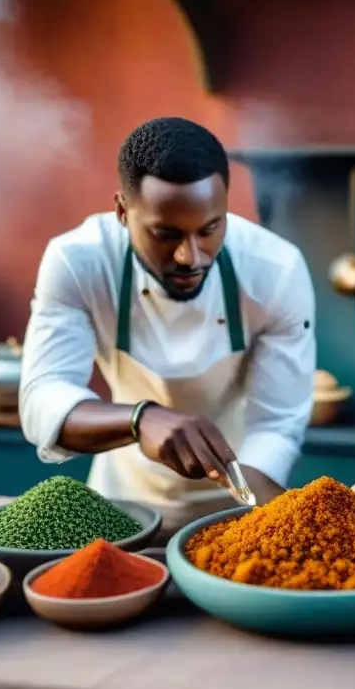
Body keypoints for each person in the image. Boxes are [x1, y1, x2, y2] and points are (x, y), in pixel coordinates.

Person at [19, 117, 316, 535]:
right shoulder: (79, 260)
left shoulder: (275, 270)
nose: (190, 256)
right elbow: (42, 399)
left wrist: (248, 510)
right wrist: (140, 419)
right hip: (119, 511)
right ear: (123, 211)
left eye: (210, 229)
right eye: (165, 234)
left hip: (237, 512)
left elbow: (278, 421)